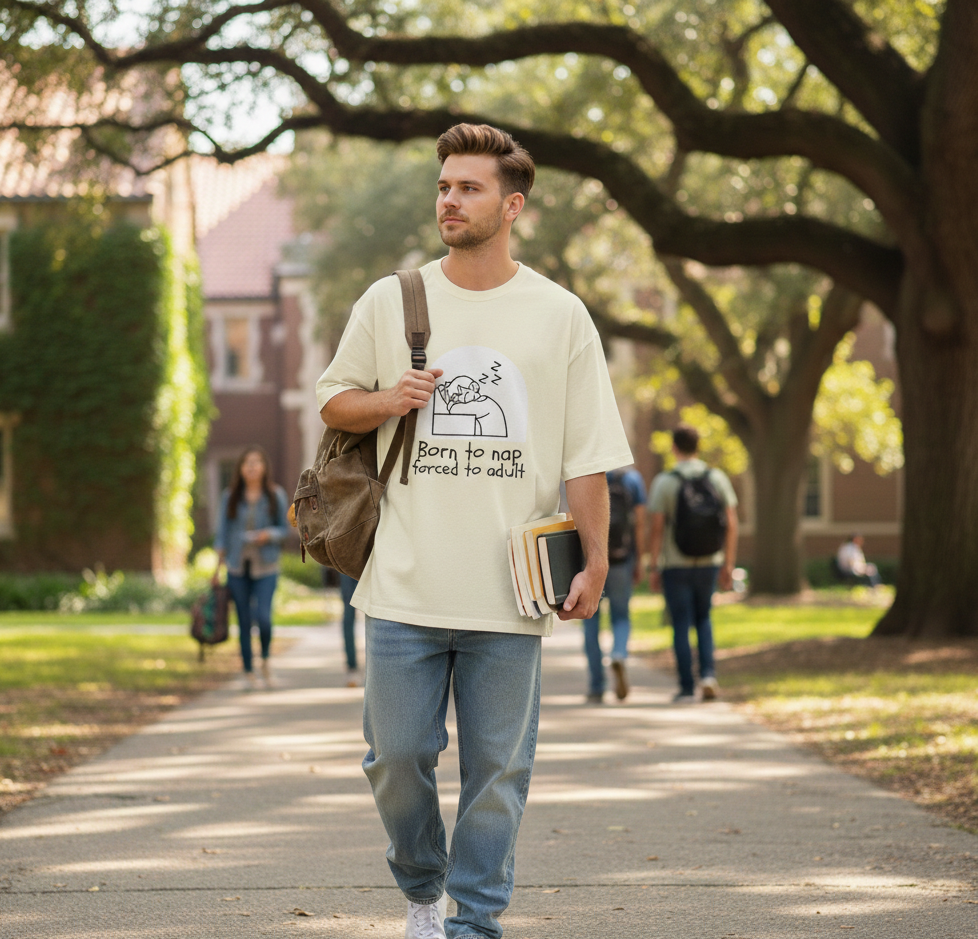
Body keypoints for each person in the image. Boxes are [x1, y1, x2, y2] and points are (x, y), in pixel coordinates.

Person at [316, 123, 632, 939]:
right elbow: (333, 400)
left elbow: (588, 458)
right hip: (404, 586)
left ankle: (474, 922)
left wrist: (597, 562)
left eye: (469, 188)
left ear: (512, 205)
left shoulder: (560, 315)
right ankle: (423, 885)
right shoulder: (392, 301)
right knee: (394, 758)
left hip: (511, 595)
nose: (449, 200)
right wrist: (390, 398)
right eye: (444, 186)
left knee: (498, 774)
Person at [647, 424, 738, 703]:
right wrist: (728, 564)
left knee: (681, 623)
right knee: (704, 618)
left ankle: (686, 687)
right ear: (698, 446)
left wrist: (654, 566)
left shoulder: (665, 481)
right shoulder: (717, 478)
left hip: (676, 564)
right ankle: (708, 676)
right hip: (710, 561)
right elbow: (731, 523)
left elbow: (657, 529)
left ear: (674, 447)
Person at [213, 446, 290, 691]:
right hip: (237, 567)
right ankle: (248, 671)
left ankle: (265, 661)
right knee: (244, 620)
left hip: (266, 566)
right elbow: (222, 532)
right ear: (241, 468)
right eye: (247, 462)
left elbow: (285, 529)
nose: (252, 466)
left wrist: (269, 534)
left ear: (265, 467)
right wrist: (218, 563)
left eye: (257, 462)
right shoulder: (230, 496)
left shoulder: (275, 495)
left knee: (264, 619)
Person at [583, 465, 646, 703]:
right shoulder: (632, 479)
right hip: (621, 559)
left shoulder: (585, 473)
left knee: (590, 620)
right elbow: (639, 523)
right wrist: (639, 559)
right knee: (621, 616)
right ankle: (619, 653)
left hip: (589, 561)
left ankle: (596, 685)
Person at [338, 572, 361, 685]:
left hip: (374, 563)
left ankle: (352, 668)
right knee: (348, 614)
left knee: (377, 614)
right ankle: (351, 667)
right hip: (348, 566)